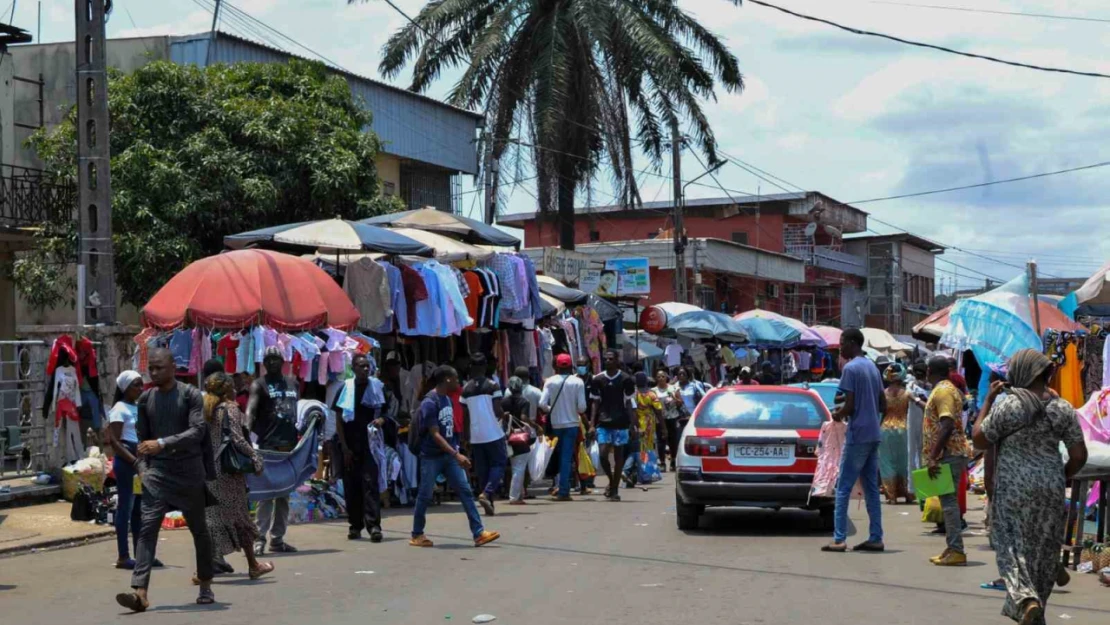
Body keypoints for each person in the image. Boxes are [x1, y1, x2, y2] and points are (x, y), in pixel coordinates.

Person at [973, 349, 1088, 624]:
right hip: (1051, 485)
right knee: (1042, 547)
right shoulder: (1063, 408)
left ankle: (1025, 599)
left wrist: (988, 401)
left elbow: (979, 439)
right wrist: (1061, 476)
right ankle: (1041, 598)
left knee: (1011, 545)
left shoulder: (1009, 406)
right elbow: (1079, 456)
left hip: (1014, 488)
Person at [116, 348, 214, 612]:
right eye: (152, 368)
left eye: (160, 367)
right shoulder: (146, 399)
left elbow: (197, 431)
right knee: (147, 529)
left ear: (173, 366)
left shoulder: (190, 395)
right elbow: (142, 440)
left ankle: (205, 583)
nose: (154, 372)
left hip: (189, 471)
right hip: (157, 474)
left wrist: (162, 443)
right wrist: (143, 470)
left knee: (199, 530)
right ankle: (140, 592)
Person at [410, 365, 500, 548]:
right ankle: (417, 534)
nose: (459, 382)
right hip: (432, 456)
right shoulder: (430, 402)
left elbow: (449, 429)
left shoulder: (448, 400)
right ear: (447, 380)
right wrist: (456, 454)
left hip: (449, 455)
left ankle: (478, 533)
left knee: (466, 492)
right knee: (425, 495)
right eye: (456, 378)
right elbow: (435, 434)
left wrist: (458, 447)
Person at [200, 372, 273, 581]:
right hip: (228, 473)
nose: (236, 390)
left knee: (212, 519)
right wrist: (255, 456)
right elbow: (237, 439)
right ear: (226, 390)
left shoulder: (205, 409)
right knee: (240, 517)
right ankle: (253, 565)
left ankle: (203, 569)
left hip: (209, 471)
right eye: (233, 386)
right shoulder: (230, 408)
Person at [822, 328, 885, 553]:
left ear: (852, 342)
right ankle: (876, 537)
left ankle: (839, 539)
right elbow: (882, 404)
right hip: (873, 433)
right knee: (870, 489)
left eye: (842, 343)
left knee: (843, 488)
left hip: (857, 434)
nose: (840, 347)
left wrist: (838, 415)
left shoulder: (850, 368)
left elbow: (849, 404)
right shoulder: (873, 368)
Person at [107, 370, 162, 570]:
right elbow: (115, 441)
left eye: (141, 384)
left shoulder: (138, 407)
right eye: (136, 385)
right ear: (125, 388)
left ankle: (142, 555)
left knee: (140, 509)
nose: (140, 388)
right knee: (125, 508)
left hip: (140, 461)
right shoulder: (119, 409)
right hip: (127, 462)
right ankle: (123, 556)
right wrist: (134, 462)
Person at [248, 347, 300, 555]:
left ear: (282, 361)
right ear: (263, 363)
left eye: (275, 359)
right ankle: (259, 538)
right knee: (266, 494)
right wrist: (245, 439)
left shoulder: (293, 383)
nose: (272, 363)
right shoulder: (259, 384)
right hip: (268, 446)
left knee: (284, 494)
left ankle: (277, 539)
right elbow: (250, 413)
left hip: (289, 446)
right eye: (268, 360)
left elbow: (299, 410)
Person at [922, 356, 970, 566]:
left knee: (949, 503)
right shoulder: (947, 389)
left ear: (930, 371)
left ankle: (957, 549)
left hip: (948, 453)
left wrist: (933, 456)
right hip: (948, 453)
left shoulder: (943, 391)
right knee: (946, 501)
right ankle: (951, 547)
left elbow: (947, 424)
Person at [332, 353, 386, 542]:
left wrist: (381, 419)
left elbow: (386, 412)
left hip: (370, 444)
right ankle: (355, 526)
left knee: (370, 484)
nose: (365, 369)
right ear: (353, 368)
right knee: (352, 487)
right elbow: (339, 419)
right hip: (349, 445)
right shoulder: (345, 389)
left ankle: (374, 526)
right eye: (361, 366)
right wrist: (345, 448)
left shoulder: (377, 388)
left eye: (367, 366)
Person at [460, 354, 507, 516]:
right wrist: (504, 415)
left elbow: (464, 416)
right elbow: (497, 410)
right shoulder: (493, 386)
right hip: (493, 432)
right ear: (485, 366)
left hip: (476, 435)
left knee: (483, 470)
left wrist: (465, 437)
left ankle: (489, 502)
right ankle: (487, 493)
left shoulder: (466, 389)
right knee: (500, 464)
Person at [540, 353, 588, 501]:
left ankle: (557, 485)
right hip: (572, 424)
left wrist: (551, 410)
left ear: (556, 366)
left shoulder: (550, 382)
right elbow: (582, 407)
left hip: (556, 424)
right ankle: (564, 491)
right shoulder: (578, 382)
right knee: (566, 457)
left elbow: (542, 404)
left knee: (554, 455)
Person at [589, 349, 635, 501]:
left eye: (611, 359)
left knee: (618, 456)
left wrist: (632, 424)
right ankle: (611, 479)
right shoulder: (598, 379)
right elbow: (595, 402)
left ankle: (614, 489)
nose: (608, 361)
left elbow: (629, 402)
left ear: (616, 360)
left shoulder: (625, 379)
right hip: (603, 422)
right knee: (603, 455)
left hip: (621, 422)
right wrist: (591, 423)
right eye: (606, 359)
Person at [503, 376, 540, 505]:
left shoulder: (504, 401)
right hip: (520, 437)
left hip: (507, 436)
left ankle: (518, 495)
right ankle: (514, 496)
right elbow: (524, 418)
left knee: (514, 466)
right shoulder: (524, 402)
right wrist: (535, 426)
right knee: (519, 468)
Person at [878, 364, 913, 504]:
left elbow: (881, 412)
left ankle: (891, 495)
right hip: (904, 429)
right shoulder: (907, 393)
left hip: (885, 429)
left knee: (886, 462)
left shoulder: (883, 393)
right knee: (904, 462)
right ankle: (906, 493)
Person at [630, 372, 663, 483]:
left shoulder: (633, 394)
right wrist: (663, 427)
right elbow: (658, 411)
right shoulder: (651, 394)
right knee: (647, 449)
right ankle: (647, 474)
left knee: (639, 449)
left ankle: (641, 474)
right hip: (648, 425)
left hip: (636, 423)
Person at [653, 370, 682, 472]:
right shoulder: (653, 391)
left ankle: (673, 460)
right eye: (658, 376)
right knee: (660, 441)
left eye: (662, 376)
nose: (661, 378)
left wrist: (673, 397)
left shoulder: (673, 388)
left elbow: (680, 402)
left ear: (666, 378)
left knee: (673, 441)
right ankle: (662, 462)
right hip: (659, 419)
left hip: (672, 418)